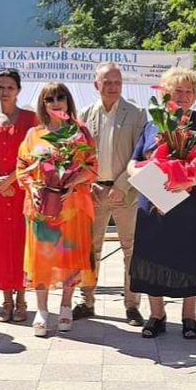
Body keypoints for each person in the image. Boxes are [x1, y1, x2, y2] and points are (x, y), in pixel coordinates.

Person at [127, 67, 196, 339]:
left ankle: (189, 316)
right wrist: (143, 175)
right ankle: (156, 315)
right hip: (154, 203)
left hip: (191, 204)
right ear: (165, 92)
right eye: (178, 90)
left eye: (189, 91)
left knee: (190, 256)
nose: (183, 96)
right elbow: (133, 162)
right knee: (152, 258)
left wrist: (191, 179)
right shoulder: (152, 124)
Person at [16, 82, 98, 337]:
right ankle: (42, 310)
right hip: (42, 207)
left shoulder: (80, 132)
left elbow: (92, 165)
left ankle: (65, 306)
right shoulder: (34, 134)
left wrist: (73, 182)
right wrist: (31, 186)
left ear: (67, 100)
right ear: (43, 104)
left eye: (60, 97)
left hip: (73, 206)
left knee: (70, 256)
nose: (55, 102)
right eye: (49, 98)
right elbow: (22, 166)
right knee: (42, 258)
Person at [73, 62, 147, 326]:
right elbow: (78, 155)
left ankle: (132, 306)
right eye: (107, 82)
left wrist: (121, 186)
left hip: (126, 193)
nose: (113, 87)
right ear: (96, 85)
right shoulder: (84, 114)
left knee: (131, 250)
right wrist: (88, 181)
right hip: (93, 192)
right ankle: (87, 301)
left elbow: (141, 155)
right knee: (90, 249)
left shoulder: (137, 114)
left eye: (117, 82)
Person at [0, 69, 37, 322]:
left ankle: (22, 300)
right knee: (0, 244)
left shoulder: (30, 118)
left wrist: (11, 178)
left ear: (18, 90)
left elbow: (35, 156)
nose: (5, 92)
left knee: (22, 243)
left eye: (10, 87)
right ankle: (6, 301)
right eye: (1, 87)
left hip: (21, 189)